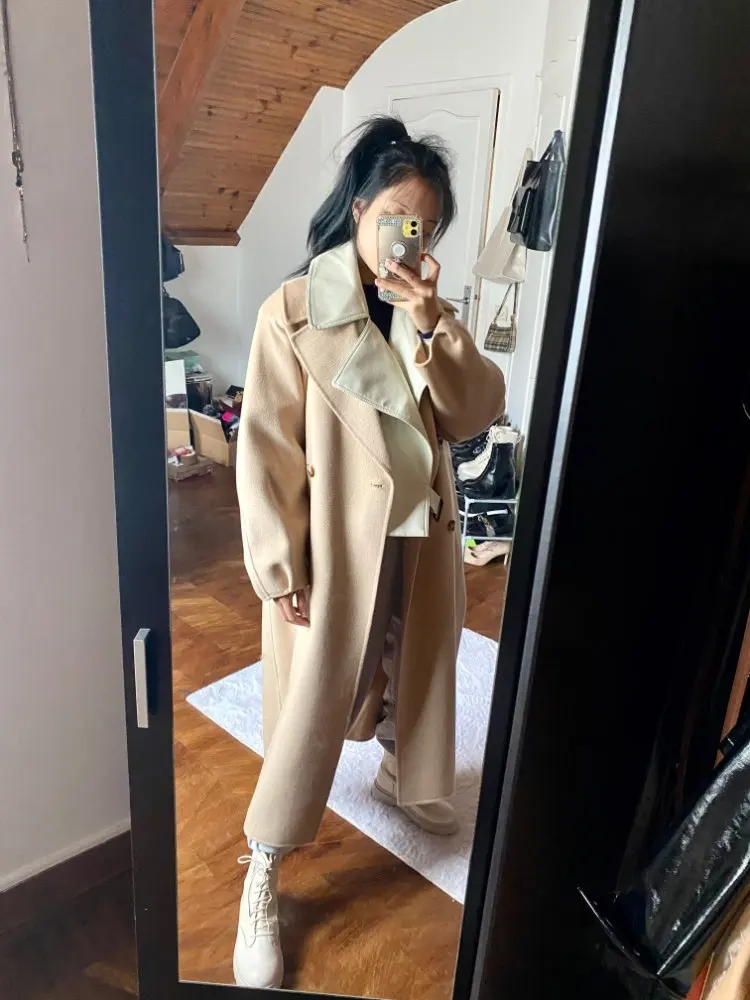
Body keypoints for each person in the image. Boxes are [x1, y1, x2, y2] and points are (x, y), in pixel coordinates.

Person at [233, 115, 506, 988]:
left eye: (422, 224)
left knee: (413, 662)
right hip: (336, 547)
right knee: (312, 700)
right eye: (392, 215)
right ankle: (265, 861)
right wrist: (279, 566)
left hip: (420, 539)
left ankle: (400, 774)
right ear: (358, 210)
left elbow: (475, 413)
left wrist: (432, 323)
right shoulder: (294, 312)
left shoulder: (426, 313)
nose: (405, 236)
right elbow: (265, 450)